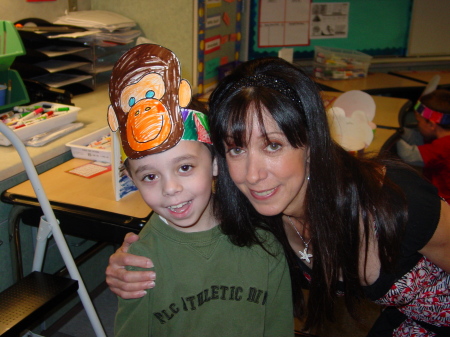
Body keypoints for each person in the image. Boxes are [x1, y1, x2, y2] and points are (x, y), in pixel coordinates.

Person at [106, 57, 450, 337]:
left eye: (273, 145)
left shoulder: (398, 203)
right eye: (237, 149)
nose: (252, 175)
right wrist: (128, 260)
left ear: (312, 143)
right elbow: (179, 203)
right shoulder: (254, 211)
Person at [108, 44, 293, 337]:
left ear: (216, 163)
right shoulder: (140, 262)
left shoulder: (265, 244)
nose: (170, 189)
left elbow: (278, 325)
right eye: (150, 176)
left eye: (184, 168)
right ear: (132, 179)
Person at [396, 89, 450, 202]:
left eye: (418, 121)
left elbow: (409, 155)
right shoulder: (442, 137)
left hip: (443, 202)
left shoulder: (443, 146)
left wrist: (394, 135)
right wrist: (397, 130)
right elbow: (418, 138)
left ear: (431, 125)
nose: (417, 125)